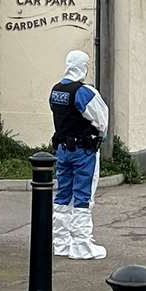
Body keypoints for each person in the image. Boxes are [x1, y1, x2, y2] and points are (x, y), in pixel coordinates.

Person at [49, 49, 109, 260]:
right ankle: (82, 245)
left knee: (63, 195)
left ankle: (61, 242)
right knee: (83, 196)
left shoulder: (56, 90)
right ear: (83, 67)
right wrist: (99, 136)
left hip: (62, 150)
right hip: (83, 151)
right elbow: (101, 120)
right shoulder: (83, 92)